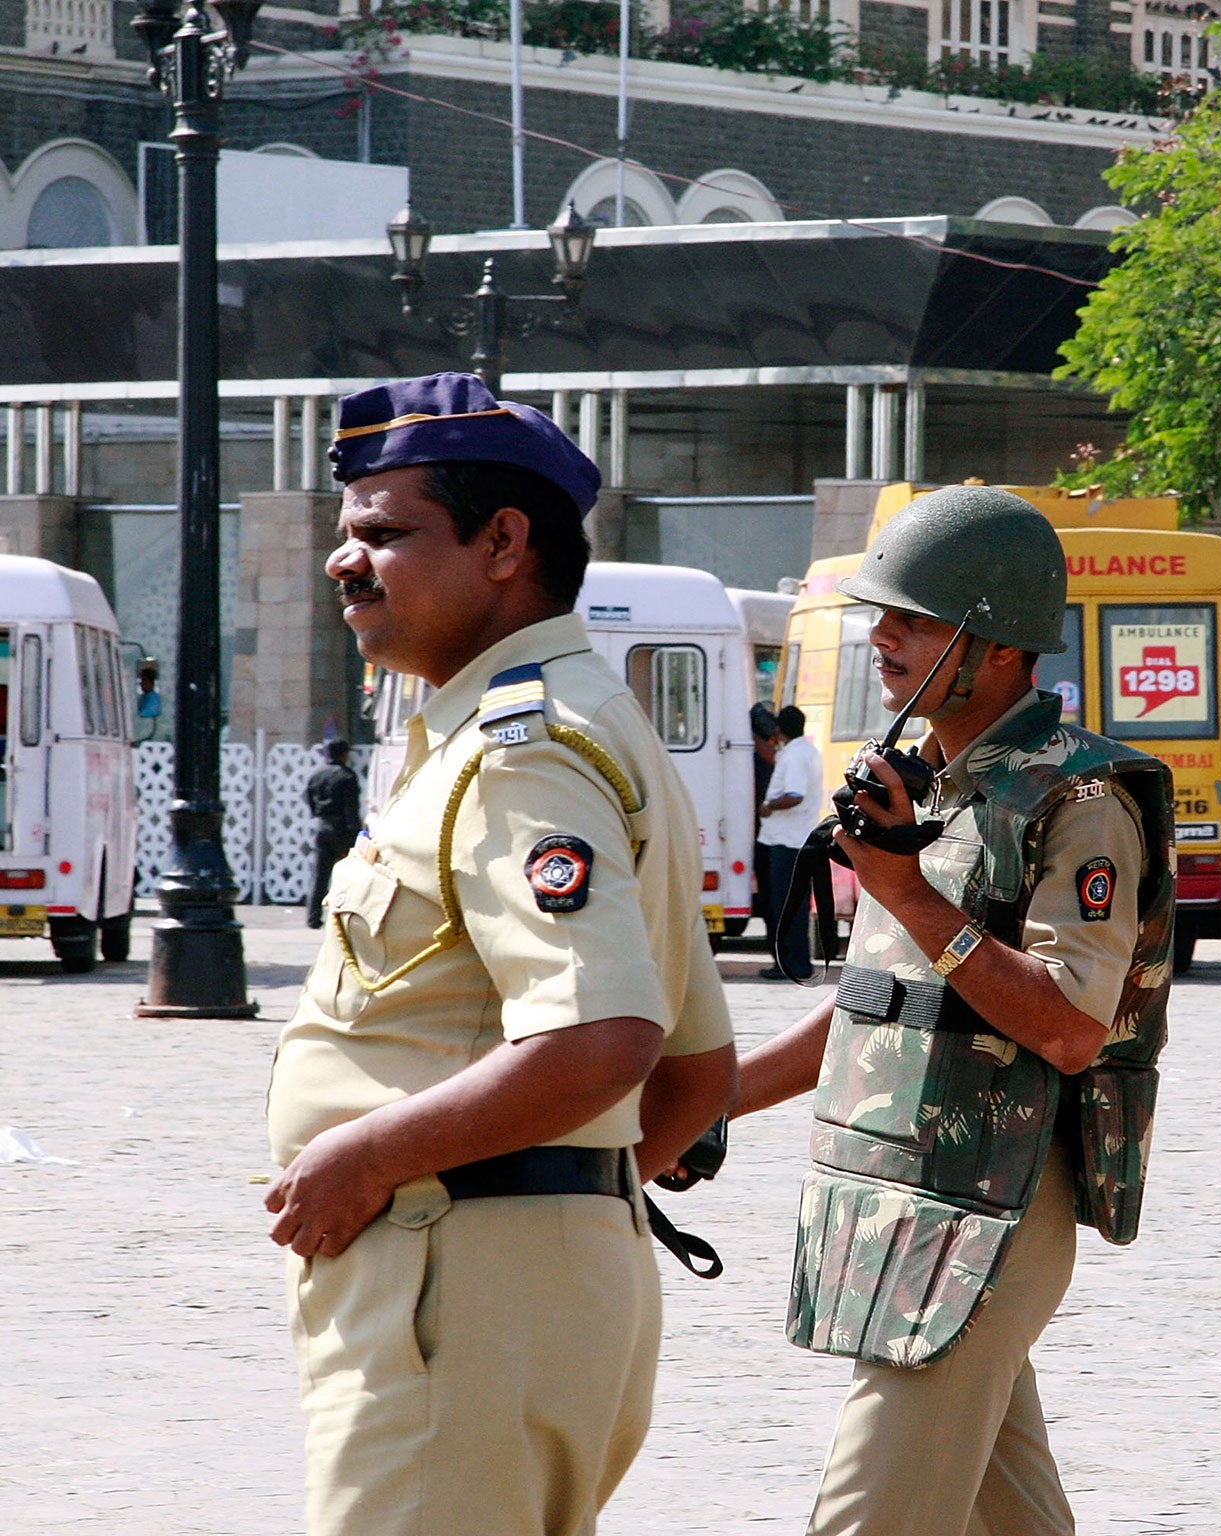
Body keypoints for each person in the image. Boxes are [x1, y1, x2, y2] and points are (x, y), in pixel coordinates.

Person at [262, 373, 738, 1536]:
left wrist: (374, 1158)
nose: (343, 561)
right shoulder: (581, 721)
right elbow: (695, 1069)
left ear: (503, 544)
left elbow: (605, 1040)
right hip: (512, 1278)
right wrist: (572, 1206)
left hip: (457, 1286)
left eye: (382, 531)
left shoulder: (519, 751)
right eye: (345, 535)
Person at [733, 484, 1176, 1536]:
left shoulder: (1076, 804)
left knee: (864, 1519)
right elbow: (879, 1010)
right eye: (880, 615)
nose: (882, 639)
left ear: (998, 643)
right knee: (1009, 1516)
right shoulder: (925, 789)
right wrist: (709, 1098)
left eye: (914, 620)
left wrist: (908, 896)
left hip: (991, 1212)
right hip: (905, 1203)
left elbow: (1070, 1027)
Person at [758, 703, 823, 981]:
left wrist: (769, 806)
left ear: (779, 729)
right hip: (799, 839)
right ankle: (795, 963)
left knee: (785, 906)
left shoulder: (795, 756)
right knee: (794, 904)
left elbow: (795, 794)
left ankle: (791, 965)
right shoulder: (806, 751)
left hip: (787, 842)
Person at [304, 736, 362, 928]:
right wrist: (356, 833)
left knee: (319, 875)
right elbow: (351, 808)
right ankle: (347, 914)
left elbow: (309, 799)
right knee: (350, 873)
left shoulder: (316, 774)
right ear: (344, 754)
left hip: (321, 825)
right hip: (342, 828)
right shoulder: (347, 776)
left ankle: (313, 918)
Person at [750, 700, 780, 935]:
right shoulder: (756, 755)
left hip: (768, 834)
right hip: (760, 833)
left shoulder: (775, 754)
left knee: (773, 895)